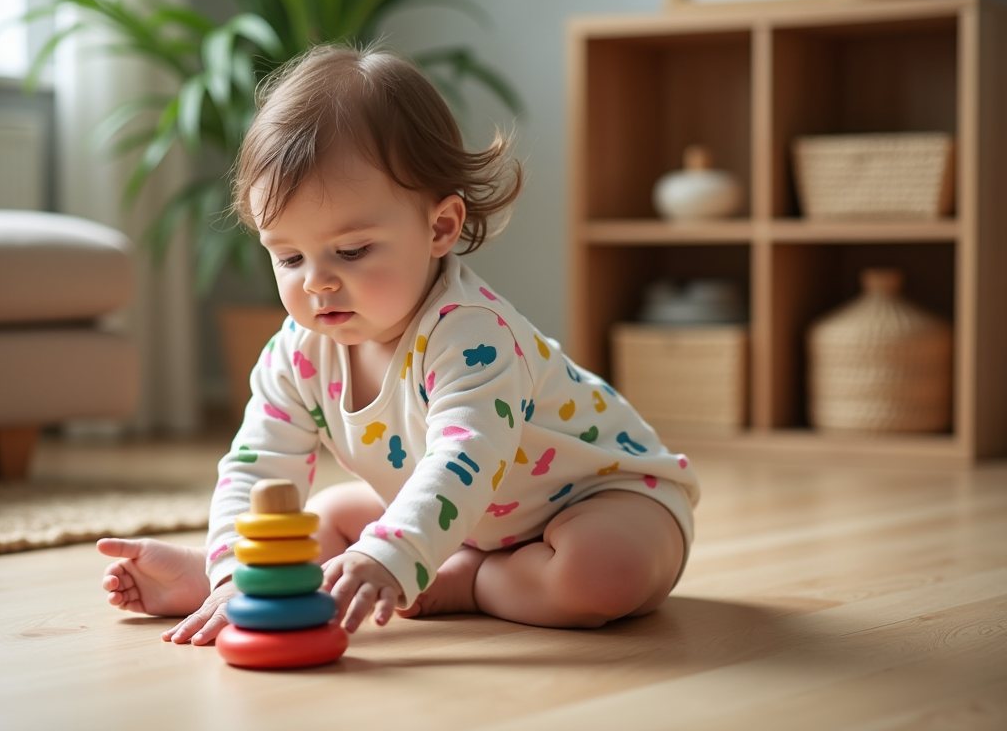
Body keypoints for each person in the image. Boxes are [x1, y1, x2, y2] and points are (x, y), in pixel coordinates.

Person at [98, 44, 700, 645]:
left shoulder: (471, 335)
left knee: (601, 574)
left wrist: (391, 555)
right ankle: (242, 589)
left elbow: (463, 459)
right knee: (331, 520)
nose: (317, 281)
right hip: (459, 521)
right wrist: (233, 574)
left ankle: (469, 582)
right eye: (288, 256)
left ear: (440, 227)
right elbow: (258, 468)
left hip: (604, 499)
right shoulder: (298, 353)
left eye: (352, 250)